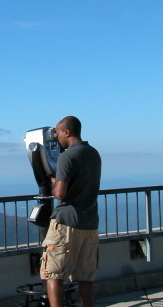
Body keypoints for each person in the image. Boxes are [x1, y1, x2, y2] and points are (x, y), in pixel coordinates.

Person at [40, 116, 102, 307]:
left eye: (58, 133)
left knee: (54, 273)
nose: (57, 138)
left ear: (67, 132)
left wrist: (52, 181)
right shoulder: (93, 153)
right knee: (85, 277)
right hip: (90, 222)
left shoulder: (67, 156)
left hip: (66, 222)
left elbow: (60, 193)